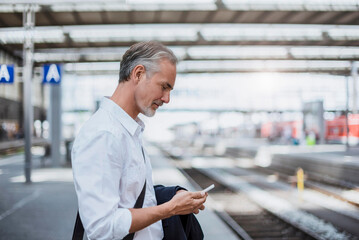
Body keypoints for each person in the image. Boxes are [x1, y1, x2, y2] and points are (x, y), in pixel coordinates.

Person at [71, 41, 208, 240]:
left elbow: (133, 199)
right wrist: (170, 208)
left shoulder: (128, 131)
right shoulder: (104, 135)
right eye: (164, 87)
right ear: (138, 74)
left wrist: (173, 196)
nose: (167, 98)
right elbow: (102, 228)